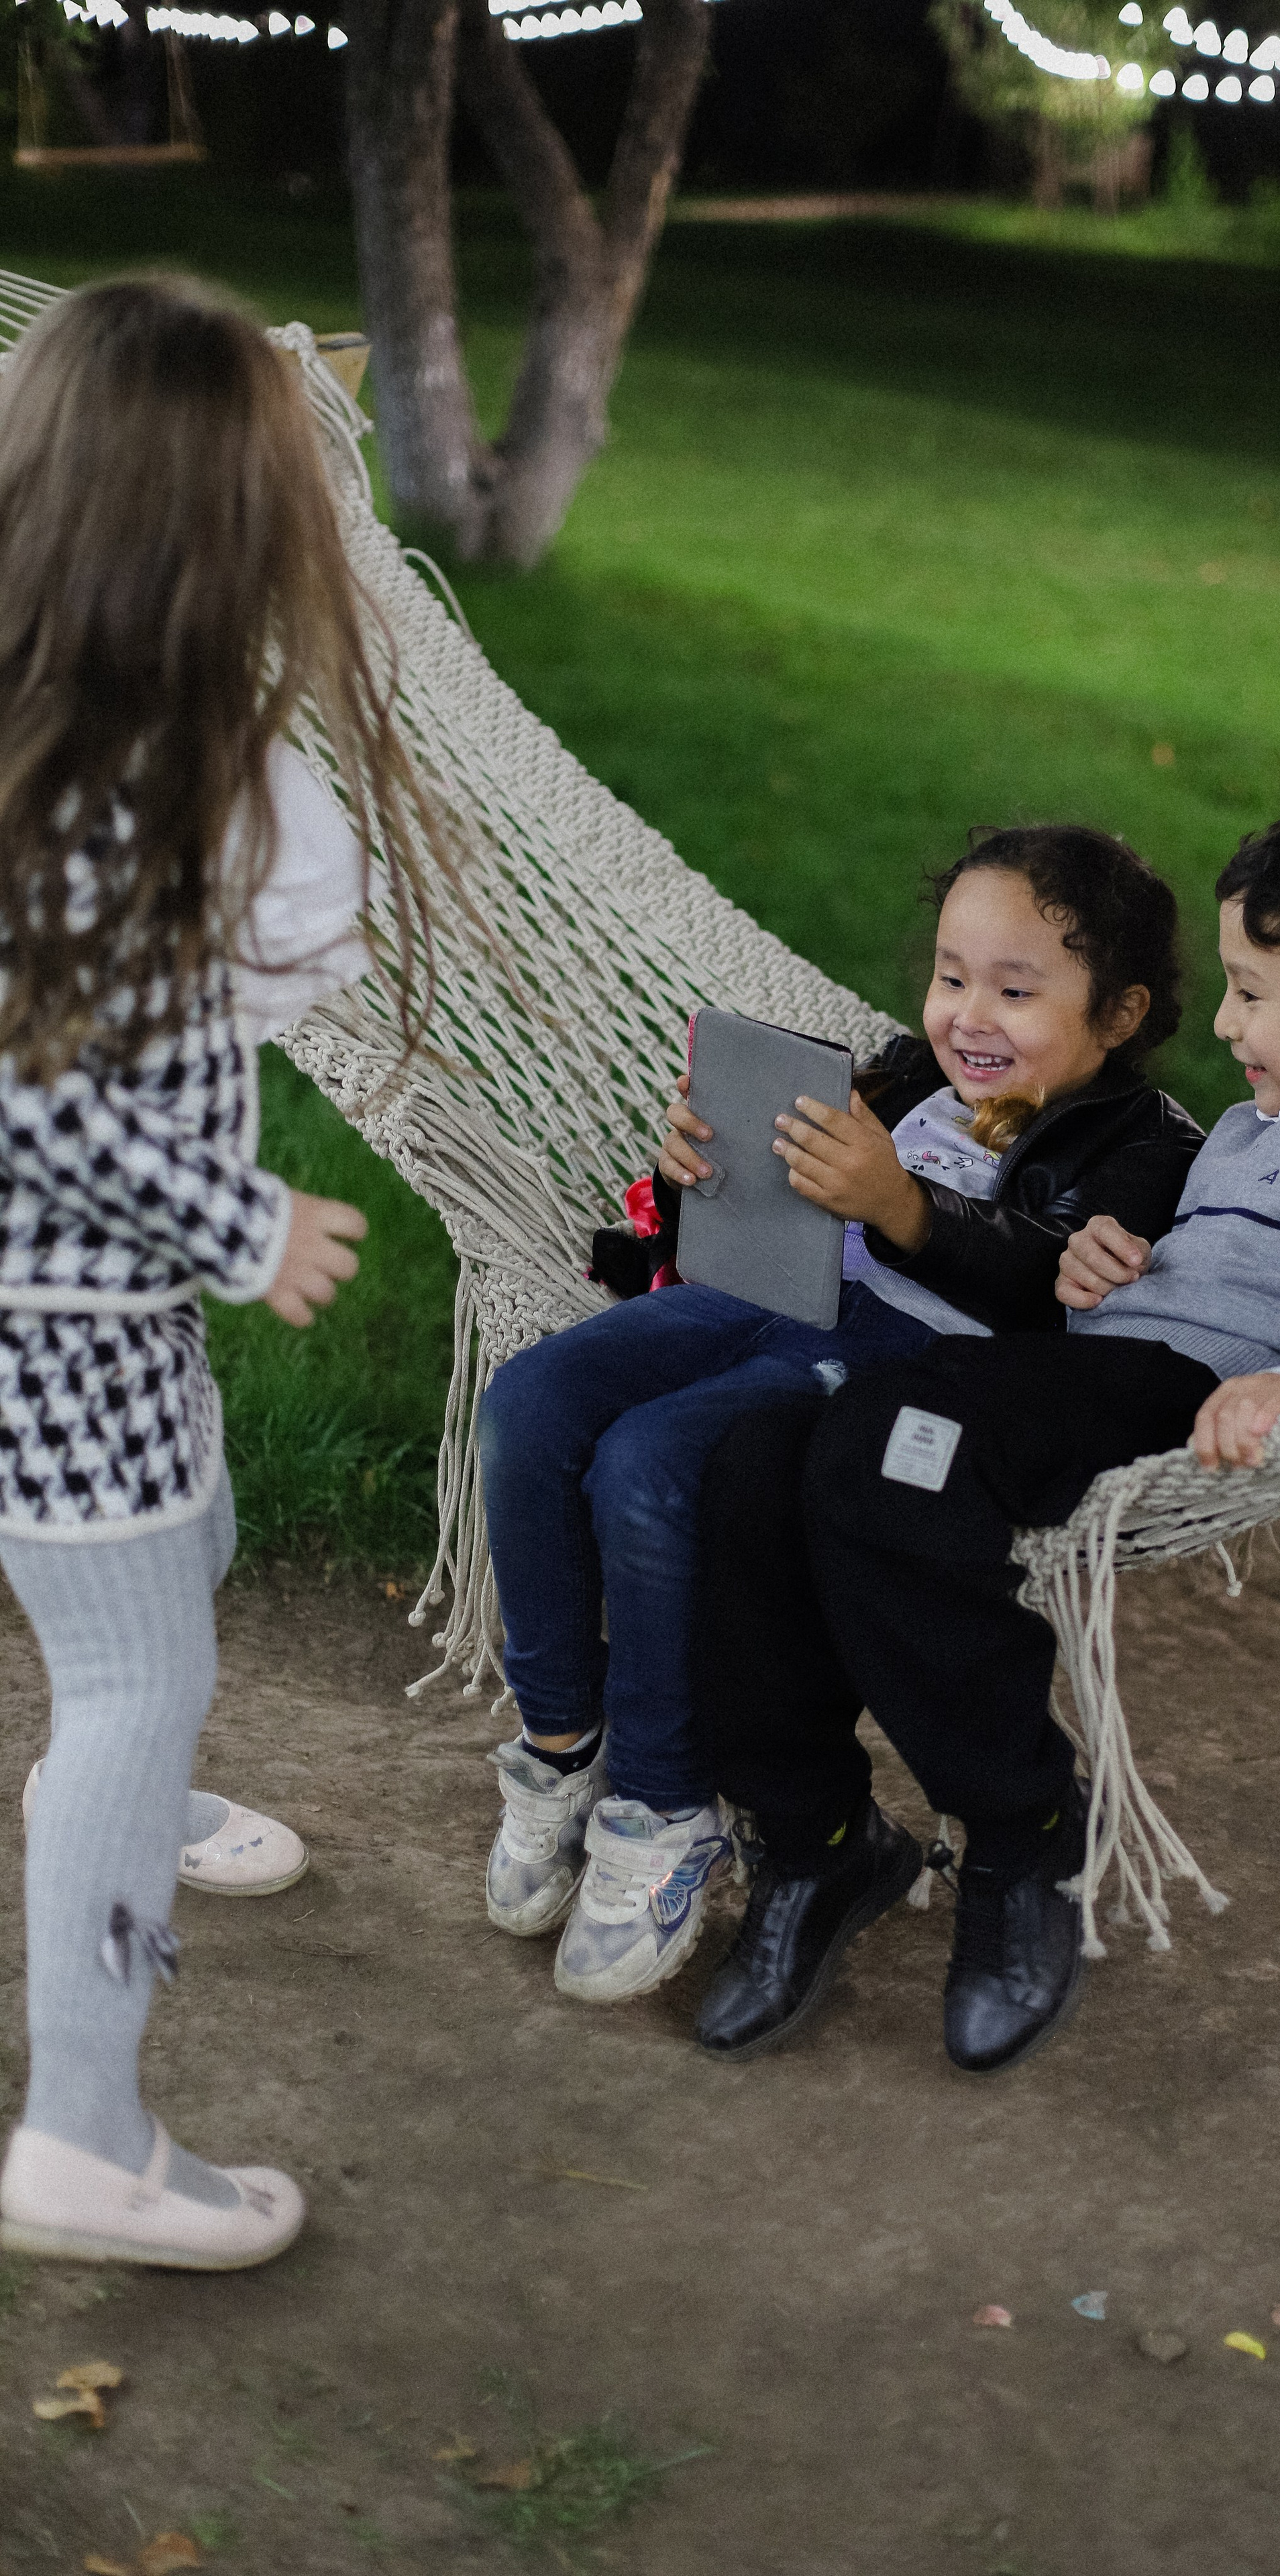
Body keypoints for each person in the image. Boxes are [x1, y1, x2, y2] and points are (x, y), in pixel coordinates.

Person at [692, 790, 1280, 2075]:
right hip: (1078, 1363)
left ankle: (1020, 1832)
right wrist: (1104, 1262)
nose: (1228, 1024)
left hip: (1178, 1392)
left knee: (884, 1442)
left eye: (1253, 993)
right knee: (755, 1458)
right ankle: (817, 1842)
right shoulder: (1257, 1126)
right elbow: (1169, 1266)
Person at [0, 277, 443, 2269]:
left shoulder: (92, 743)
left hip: (80, 1324)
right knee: (133, 1668)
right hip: (62, 1318)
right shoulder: (89, 800)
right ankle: (82, 2137)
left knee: (181, 1547)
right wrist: (246, 1227)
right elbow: (35, 1107)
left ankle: (141, 1782)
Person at [476, 825, 1203, 2007]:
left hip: (902, 1353)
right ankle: (564, 1748)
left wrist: (906, 1210)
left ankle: (664, 1808)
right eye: (952, 975)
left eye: (1016, 991)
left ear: (1119, 1015)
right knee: (534, 1401)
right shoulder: (906, 1072)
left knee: (653, 1463)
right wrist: (695, 1172)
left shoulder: (1146, 1145)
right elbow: (768, 1191)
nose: (969, 1014)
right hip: (758, 1291)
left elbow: (1056, 1296)